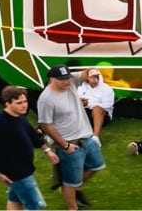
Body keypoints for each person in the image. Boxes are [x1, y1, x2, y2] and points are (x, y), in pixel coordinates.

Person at [34, 67, 101, 211]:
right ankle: (73, 206)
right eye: (62, 79)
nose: (66, 82)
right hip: (69, 144)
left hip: (86, 137)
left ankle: (73, 188)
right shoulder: (46, 100)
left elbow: (85, 73)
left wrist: (91, 73)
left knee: (97, 165)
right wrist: (65, 146)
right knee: (71, 182)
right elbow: (46, 125)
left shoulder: (70, 83)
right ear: (52, 79)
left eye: (68, 78)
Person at [0, 85, 59, 211]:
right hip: (17, 173)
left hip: (24, 168)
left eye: (25, 101)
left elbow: (32, 134)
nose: (24, 105)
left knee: (15, 200)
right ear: (7, 104)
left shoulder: (20, 117)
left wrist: (47, 150)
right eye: (19, 103)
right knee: (35, 205)